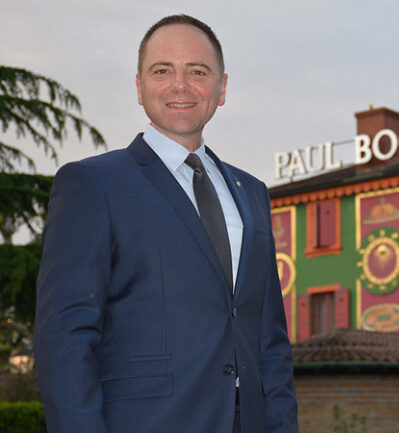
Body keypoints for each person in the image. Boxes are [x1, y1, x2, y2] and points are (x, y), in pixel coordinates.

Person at [34, 14, 297, 433]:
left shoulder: (252, 192)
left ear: (221, 88)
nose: (180, 85)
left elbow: (271, 343)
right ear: (139, 87)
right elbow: (65, 340)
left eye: (198, 71)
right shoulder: (93, 184)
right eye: (162, 71)